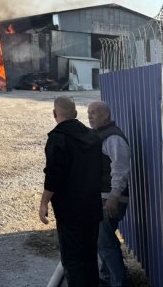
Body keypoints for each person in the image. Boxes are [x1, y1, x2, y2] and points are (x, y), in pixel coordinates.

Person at [40, 96, 103, 286]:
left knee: (72, 260)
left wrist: (43, 203)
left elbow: (53, 176)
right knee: (90, 256)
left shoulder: (57, 139)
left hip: (70, 211)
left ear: (54, 114)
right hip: (92, 206)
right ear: (76, 114)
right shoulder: (93, 136)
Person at [88, 100, 131, 287]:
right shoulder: (100, 135)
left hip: (110, 198)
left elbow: (120, 168)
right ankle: (107, 279)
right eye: (89, 112)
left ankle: (118, 282)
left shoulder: (114, 138)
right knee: (102, 241)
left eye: (95, 113)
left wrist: (114, 196)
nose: (90, 116)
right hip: (103, 196)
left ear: (106, 115)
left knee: (105, 243)